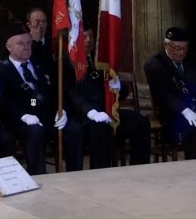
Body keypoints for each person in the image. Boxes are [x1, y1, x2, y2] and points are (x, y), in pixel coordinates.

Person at [0, 22, 83, 175]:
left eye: (29, 43)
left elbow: (56, 90)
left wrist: (61, 110)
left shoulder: (41, 63)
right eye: (20, 43)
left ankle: (75, 175)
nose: (26, 47)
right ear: (9, 47)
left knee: (74, 129)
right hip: (21, 120)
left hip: (46, 114)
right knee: (35, 132)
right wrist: (22, 115)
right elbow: (6, 101)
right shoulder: (3, 70)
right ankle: (39, 176)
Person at [65, 23, 151, 168]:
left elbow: (121, 94)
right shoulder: (68, 63)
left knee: (140, 122)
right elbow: (73, 94)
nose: (88, 40)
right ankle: (101, 172)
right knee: (99, 129)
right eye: (84, 36)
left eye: (91, 36)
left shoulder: (101, 60)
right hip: (84, 115)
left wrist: (118, 86)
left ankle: (140, 168)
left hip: (107, 110)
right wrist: (91, 112)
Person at [144, 26, 196, 159]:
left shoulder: (191, 60)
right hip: (171, 113)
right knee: (192, 128)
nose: (181, 53)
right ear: (166, 45)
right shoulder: (154, 64)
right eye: (177, 48)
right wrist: (185, 110)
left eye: (185, 48)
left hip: (193, 106)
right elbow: (163, 96)